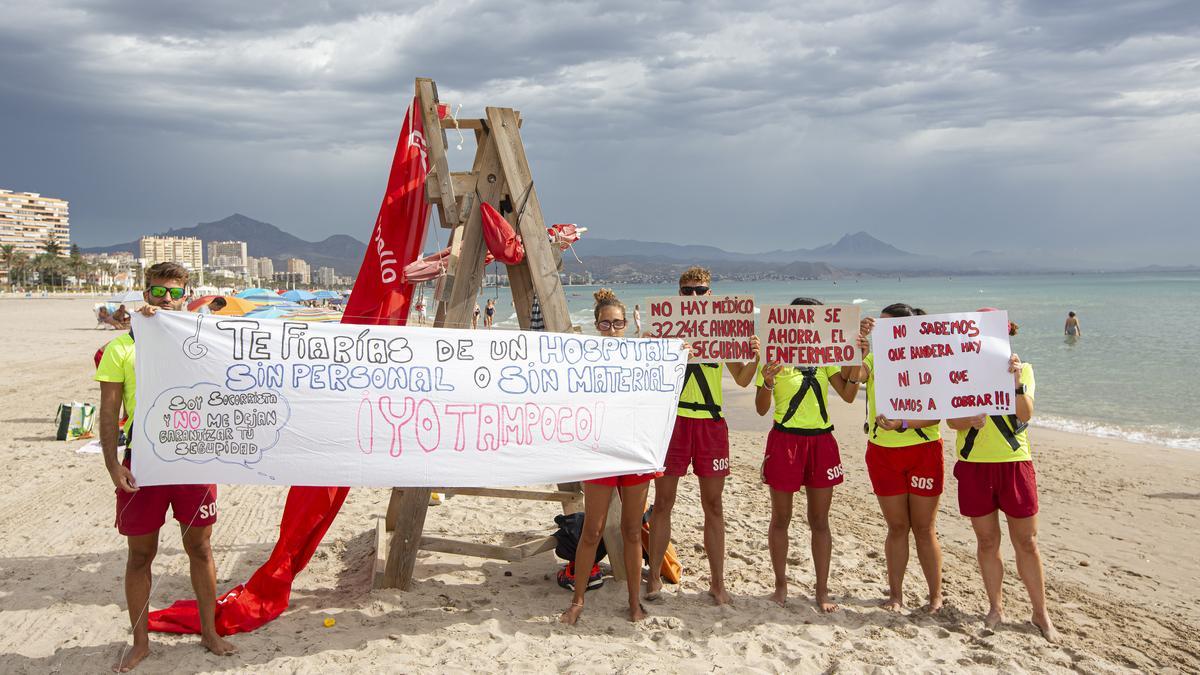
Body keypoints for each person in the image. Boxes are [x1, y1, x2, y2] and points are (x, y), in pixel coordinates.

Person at [96, 262, 236, 671]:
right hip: (143, 464)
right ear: (146, 294)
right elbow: (109, 414)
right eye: (158, 292)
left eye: (175, 293)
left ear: (185, 295)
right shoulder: (121, 348)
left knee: (201, 547)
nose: (166, 300)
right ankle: (140, 642)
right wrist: (111, 465)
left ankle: (210, 632)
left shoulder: (203, 338)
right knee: (140, 555)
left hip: (193, 460)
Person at [646, 266, 758, 605]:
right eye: (688, 291)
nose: (695, 297)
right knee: (664, 503)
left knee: (714, 505)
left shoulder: (724, 332)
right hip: (675, 421)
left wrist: (754, 354)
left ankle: (717, 582)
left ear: (710, 295)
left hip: (711, 423)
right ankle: (653, 579)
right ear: (679, 295)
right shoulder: (664, 332)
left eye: (701, 291)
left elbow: (741, 379)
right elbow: (649, 375)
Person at [946, 309, 1058, 642]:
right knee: (987, 541)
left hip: (1014, 461)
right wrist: (969, 421)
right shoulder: (958, 372)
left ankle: (1040, 613)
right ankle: (995, 608)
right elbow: (952, 421)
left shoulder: (1023, 370)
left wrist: (1016, 380)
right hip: (975, 463)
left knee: (1026, 542)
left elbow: (1026, 414)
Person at [755, 297, 858, 612]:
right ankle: (780, 585)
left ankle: (822, 591)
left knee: (820, 521)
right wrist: (769, 381)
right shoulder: (775, 359)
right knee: (781, 518)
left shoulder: (826, 358)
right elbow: (761, 409)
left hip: (821, 442)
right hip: (785, 441)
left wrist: (858, 354)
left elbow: (850, 395)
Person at [560, 289, 656, 625]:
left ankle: (633, 603)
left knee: (631, 531)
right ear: (596, 325)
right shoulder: (585, 357)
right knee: (592, 530)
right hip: (599, 450)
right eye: (605, 324)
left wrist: (673, 355)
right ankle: (578, 601)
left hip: (633, 451)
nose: (612, 330)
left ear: (626, 324)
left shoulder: (641, 355)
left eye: (617, 324)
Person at [851, 303, 944, 613]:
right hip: (883, 453)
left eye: (890, 327)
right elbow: (852, 378)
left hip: (923, 450)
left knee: (924, 528)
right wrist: (856, 347)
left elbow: (936, 415)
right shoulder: (875, 360)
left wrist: (903, 423)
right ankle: (896, 595)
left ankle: (935, 596)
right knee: (897, 527)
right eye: (881, 327)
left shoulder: (928, 362)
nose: (884, 333)